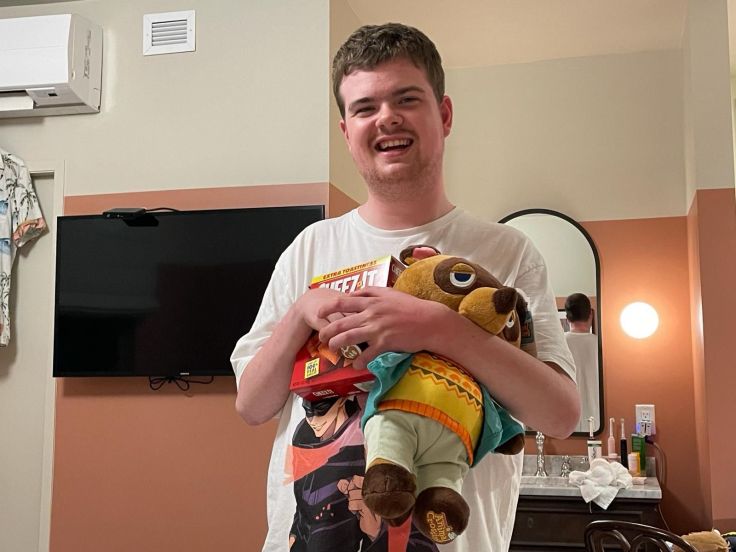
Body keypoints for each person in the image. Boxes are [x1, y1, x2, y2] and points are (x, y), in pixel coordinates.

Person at [231, 22, 580, 552]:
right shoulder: (309, 248)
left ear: (444, 114)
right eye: (364, 107)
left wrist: (440, 328)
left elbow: (559, 415)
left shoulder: (509, 252)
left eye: (406, 99)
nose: (386, 117)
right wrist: (300, 313)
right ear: (346, 131)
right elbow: (252, 406)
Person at [564, 293, 600, 434]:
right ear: (590, 315)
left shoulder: (559, 345)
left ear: (567, 318)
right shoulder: (601, 345)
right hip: (598, 424)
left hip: (566, 425)